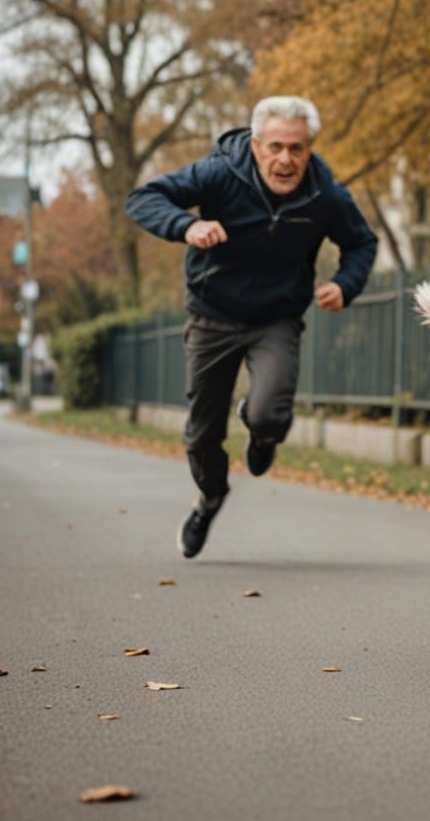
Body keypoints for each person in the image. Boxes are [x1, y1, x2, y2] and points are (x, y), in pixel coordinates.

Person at [126, 96, 378, 558]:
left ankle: (262, 432)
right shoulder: (220, 174)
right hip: (211, 316)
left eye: (297, 149)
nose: (286, 160)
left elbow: (362, 243)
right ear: (257, 144)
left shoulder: (325, 197)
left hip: (276, 320)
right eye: (276, 147)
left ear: (309, 150)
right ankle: (211, 497)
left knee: (269, 413)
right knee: (202, 435)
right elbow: (143, 198)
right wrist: (186, 226)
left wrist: (345, 284)